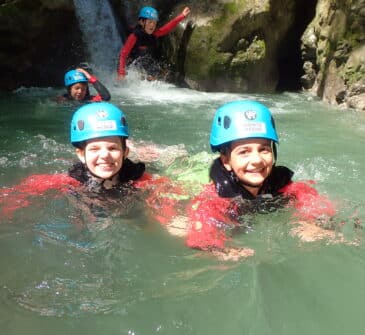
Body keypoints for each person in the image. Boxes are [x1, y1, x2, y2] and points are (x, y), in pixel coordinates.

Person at [176, 100, 339, 261]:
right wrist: (222, 250)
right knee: (177, 225)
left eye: (264, 150)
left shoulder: (279, 181)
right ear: (225, 160)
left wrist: (315, 221)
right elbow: (200, 238)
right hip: (189, 170)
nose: (257, 160)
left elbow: (307, 194)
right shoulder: (216, 195)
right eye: (244, 152)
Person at [0, 102, 184, 224]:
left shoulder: (139, 179)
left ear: (125, 152)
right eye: (95, 149)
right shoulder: (73, 180)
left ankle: (148, 151)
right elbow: (28, 188)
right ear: (81, 154)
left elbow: (167, 194)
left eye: (113, 149)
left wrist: (171, 219)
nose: (105, 155)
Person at [117, 6, 191, 81]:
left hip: (140, 60)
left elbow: (167, 28)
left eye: (154, 23)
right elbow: (123, 54)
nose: (152, 25)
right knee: (126, 79)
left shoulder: (154, 34)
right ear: (141, 22)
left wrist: (182, 16)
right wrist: (121, 73)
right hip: (125, 62)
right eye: (150, 22)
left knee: (155, 77)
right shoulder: (134, 36)